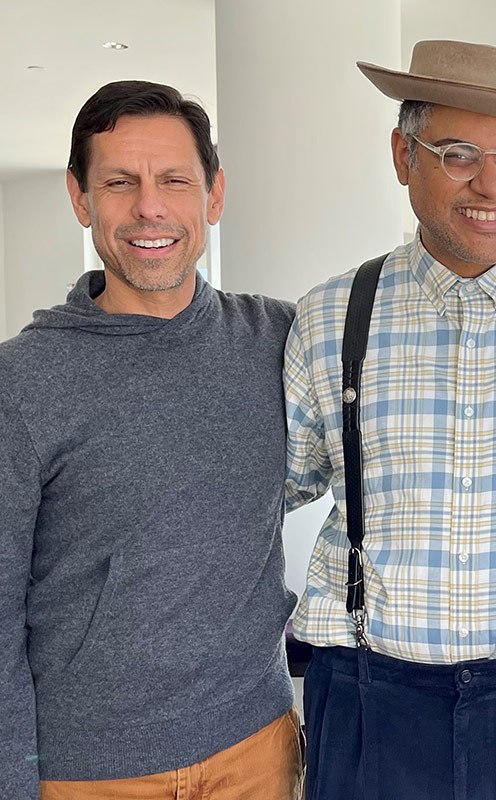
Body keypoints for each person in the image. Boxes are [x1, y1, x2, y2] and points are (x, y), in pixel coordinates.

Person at [284, 41, 496, 799]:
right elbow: (270, 485)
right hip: (370, 694)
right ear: (401, 155)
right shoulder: (329, 315)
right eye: (456, 154)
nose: (492, 184)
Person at [0, 81, 303, 800]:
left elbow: (410, 339)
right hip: (87, 774)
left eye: (174, 180)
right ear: (81, 199)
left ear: (214, 195)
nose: (149, 207)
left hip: (256, 748)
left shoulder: (282, 340)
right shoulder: (20, 380)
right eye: (118, 182)